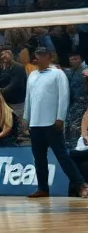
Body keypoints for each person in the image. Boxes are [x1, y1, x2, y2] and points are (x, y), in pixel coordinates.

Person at [23, 46, 87, 199]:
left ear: (49, 57)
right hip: (36, 123)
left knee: (62, 156)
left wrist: (60, 118)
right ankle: (43, 188)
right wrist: (26, 118)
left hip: (52, 122)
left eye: (41, 55)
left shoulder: (58, 74)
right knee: (38, 158)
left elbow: (64, 97)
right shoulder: (32, 75)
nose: (37, 58)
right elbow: (28, 98)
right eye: (36, 55)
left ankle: (81, 185)